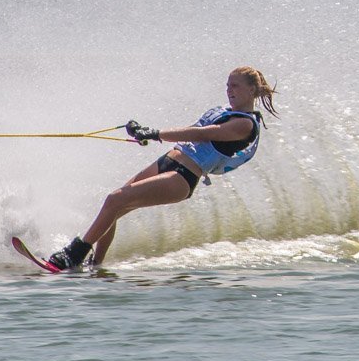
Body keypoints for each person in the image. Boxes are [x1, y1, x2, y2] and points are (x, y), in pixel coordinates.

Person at [44, 66, 278, 270]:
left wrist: (155, 133)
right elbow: (191, 130)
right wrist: (144, 132)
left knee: (114, 200)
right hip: (169, 160)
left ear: (251, 90)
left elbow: (201, 134)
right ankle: (95, 266)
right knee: (112, 210)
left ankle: (74, 255)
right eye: (227, 85)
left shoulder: (245, 124)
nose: (229, 90)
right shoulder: (223, 111)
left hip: (182, 177)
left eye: (235, 85)